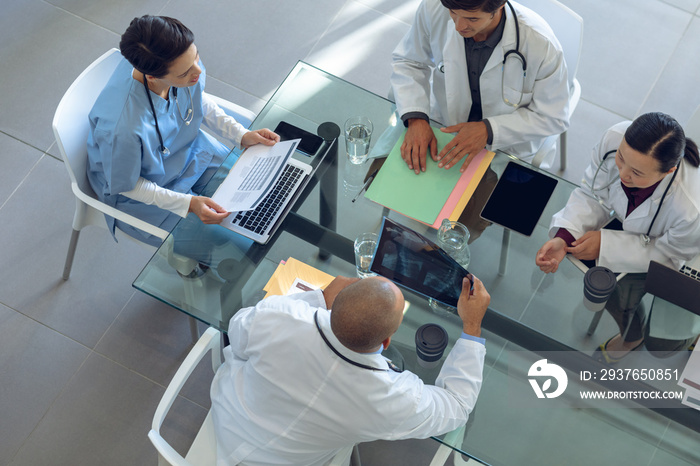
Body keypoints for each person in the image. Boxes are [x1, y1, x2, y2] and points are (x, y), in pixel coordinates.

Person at [210, 274, 490, 466]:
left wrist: (319, 297)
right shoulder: (392, 397)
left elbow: (237, 331)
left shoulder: (280, 316)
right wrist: (472, 326)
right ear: (386, 341)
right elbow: (456, 407)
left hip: (227, 420)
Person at [87, 16, 279, 246]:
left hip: (192, 151)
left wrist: (240, 134)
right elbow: (129, 186)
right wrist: (187, 203)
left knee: (266, 200)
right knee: (238, 246)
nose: (197, 70)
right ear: (152, 76)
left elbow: (194, 96)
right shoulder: (122, 129)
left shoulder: (176, 63)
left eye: (196, 56)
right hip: (144, 193)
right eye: (185, 72)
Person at [536, 112, 700, 363]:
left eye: (636, 172)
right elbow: (592, 193)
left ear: (669, 171)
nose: (623, 173)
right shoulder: (615, 138)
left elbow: (672, 256)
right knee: (613, 291)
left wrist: (607, 244)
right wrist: (565, 235)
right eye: (621, 158)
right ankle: (631, 337)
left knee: (661, 345)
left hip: (688, 252)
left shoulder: (690, 206)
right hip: (644, 238)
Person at [391, 0, 570, 174]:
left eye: (472, 19)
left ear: (500, 5)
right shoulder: (434, 7)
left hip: (507, 148)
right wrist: (416, 119)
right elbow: (409, 61)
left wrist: (489, 129)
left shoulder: (541, 45)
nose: (459, 26)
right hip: (443, 129)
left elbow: (553, 117)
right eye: (453, 12)